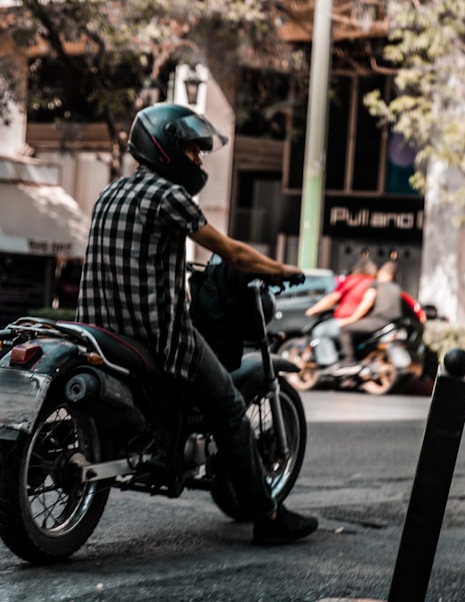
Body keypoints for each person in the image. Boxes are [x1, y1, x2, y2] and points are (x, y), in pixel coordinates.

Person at [77, 103, 318, 546]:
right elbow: (231, 252)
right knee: (228, 407)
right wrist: (282, 270)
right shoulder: (169, 197)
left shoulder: (109, 193)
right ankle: (267, 517)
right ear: (166, 148)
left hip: (102, 331)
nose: (199, 160)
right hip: (159, 335)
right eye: (192, 150)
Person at [304, 257, 377, 367]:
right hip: (366, 322)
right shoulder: (373, 282)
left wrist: (313, 310)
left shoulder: (352, 280)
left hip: (347, 320)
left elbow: (332, 299)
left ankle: (329, 364)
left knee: (320, 331)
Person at [336, 260, 404, 363]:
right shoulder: (397, 288)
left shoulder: (376, 284)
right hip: (393, 324)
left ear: (381, 272)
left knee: (345, 330)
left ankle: (348, 361)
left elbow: (366, 304)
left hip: (377, 321)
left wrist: (350, 320)